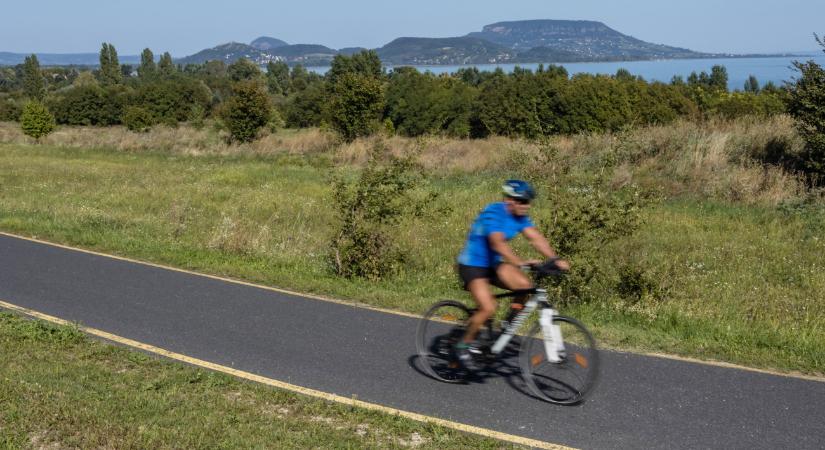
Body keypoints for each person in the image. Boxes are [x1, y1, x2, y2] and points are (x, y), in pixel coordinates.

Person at [454, 179, 569, 368]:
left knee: (525, 285)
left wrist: (555, 259)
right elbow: (497, 243)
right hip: (472, 264)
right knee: (489, 307)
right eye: (523, 201)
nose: (527, 206)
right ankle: (462, 345)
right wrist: (520, 263)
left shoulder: (520, 217)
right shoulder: (493, 212)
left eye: (528, 202)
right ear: (510, 200)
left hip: (492, 264)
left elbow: (536, 238)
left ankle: (508, 325)